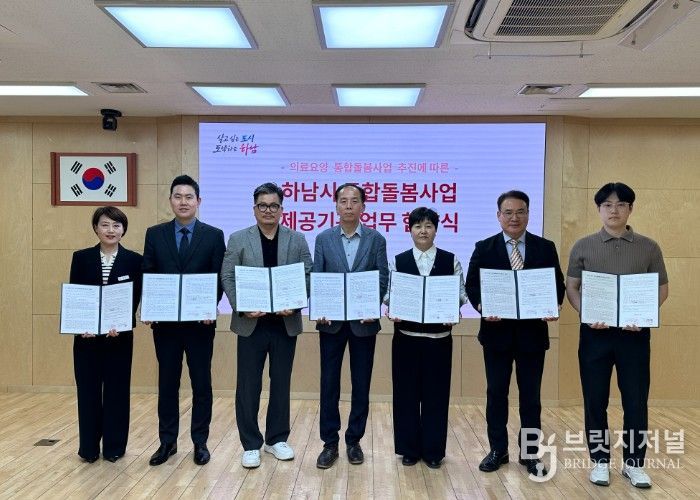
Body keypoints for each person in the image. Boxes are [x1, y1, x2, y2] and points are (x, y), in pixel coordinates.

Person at [566, 182, 668, 489]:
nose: (614, 210)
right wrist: (586, 312)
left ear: (630, 209)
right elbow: (572, 287)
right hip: (595, 335)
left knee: (635, 401)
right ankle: (600, 461)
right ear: (599, 210)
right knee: (595, 400)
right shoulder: (583, 246)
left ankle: (634, 464)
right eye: (607, 205)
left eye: (621, 204)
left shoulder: (649, 247)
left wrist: (644, 314)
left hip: (634, 336)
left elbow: (662, 288)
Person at [465, 190, 564, 477]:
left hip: (532, 335)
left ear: (528, 214)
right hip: (496, 334)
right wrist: (482, 306)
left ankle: (530, 454)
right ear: (498, 216)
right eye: (508, 212)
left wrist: (553, 305)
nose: (514, 217)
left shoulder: (545, 247)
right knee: (496, 394)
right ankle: (498, 450)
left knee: (531, 398)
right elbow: (472, 285)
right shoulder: (484, 247)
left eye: (520, 211)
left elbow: (556, 284)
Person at [221, 182, 312, 469]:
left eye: (274, 205)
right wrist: (242, 306)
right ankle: (250, 444)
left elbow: (308, 275)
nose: (268, 210)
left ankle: (276, 439)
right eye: (263, 205)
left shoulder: (297, 239)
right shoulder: (238, 239)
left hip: (285, 323)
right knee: (248, 385)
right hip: (251, 324)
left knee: (281, 383)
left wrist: (296, 303)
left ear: (282, 209)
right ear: (254, 209)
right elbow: (228, 276)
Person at [142, 175, 225, 466]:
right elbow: (148, 273)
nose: (183, 202)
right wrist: (149, 307)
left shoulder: (214, 235)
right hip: (165, 326)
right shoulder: (155, 234)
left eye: (189, 197)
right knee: (167, 384)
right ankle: (167, 442)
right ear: (170, 201)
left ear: (198, 201)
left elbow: (218, 277)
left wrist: (209, 307)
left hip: (200, 325)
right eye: (178, 197)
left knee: (202, 384)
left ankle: (200, 442)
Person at [313, 183, 389, 469]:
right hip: (331, 323)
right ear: (335, 205)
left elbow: (382, 277)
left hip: (363, 323)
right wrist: (320, 308)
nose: (348, 206)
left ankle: (354, 440)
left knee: (361, 383)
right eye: (343, 201)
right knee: (328, 384)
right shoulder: (323, 238)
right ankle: (329, 443)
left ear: (363, 207)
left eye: (354, 201)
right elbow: (318, 276)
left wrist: (372, 306)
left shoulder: (376, 239)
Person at [384, 207, 467, 469]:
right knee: (406, 394)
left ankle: (433, 451)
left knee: (436, 395)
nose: (423, 231)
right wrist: (391, 307)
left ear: (436, 230)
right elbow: (389, 293)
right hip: (406, 338)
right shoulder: (398, 260)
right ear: (409, 230)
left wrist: (453, 309)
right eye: (417, 226)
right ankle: (409, 449)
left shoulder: (450, 260)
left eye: (428, 226)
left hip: (439, 339)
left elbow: (460, 294)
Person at [69, 206, 143, 463]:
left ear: (123, 230)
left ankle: (114, 447)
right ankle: (88, 448)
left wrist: (122, 322)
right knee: (88, 392)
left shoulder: (135, 260)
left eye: (116, 225)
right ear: (96, 228)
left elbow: (134, 298)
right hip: (86, 339)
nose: (111, 230)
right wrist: (81, 325)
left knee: (117, 392)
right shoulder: (81, 258)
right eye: (105, 225)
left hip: (119, 338)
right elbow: (77, 297)